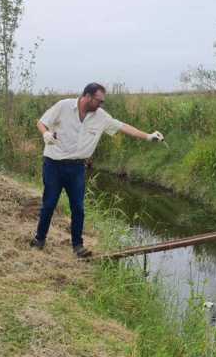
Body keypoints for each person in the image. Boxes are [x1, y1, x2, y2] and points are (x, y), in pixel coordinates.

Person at [30, 83, 163, 258]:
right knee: (49, 204)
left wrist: (148, 136)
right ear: (87, 96)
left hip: (77, 168)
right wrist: (45, 134)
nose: (101, 104)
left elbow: (123, 127)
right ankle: (39, 239)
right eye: (99, 101)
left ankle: (78, 246)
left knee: (78, 208)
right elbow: (41, 122)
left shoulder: (101, 116)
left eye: (102, 102)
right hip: (53, 165)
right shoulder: (63, 106)